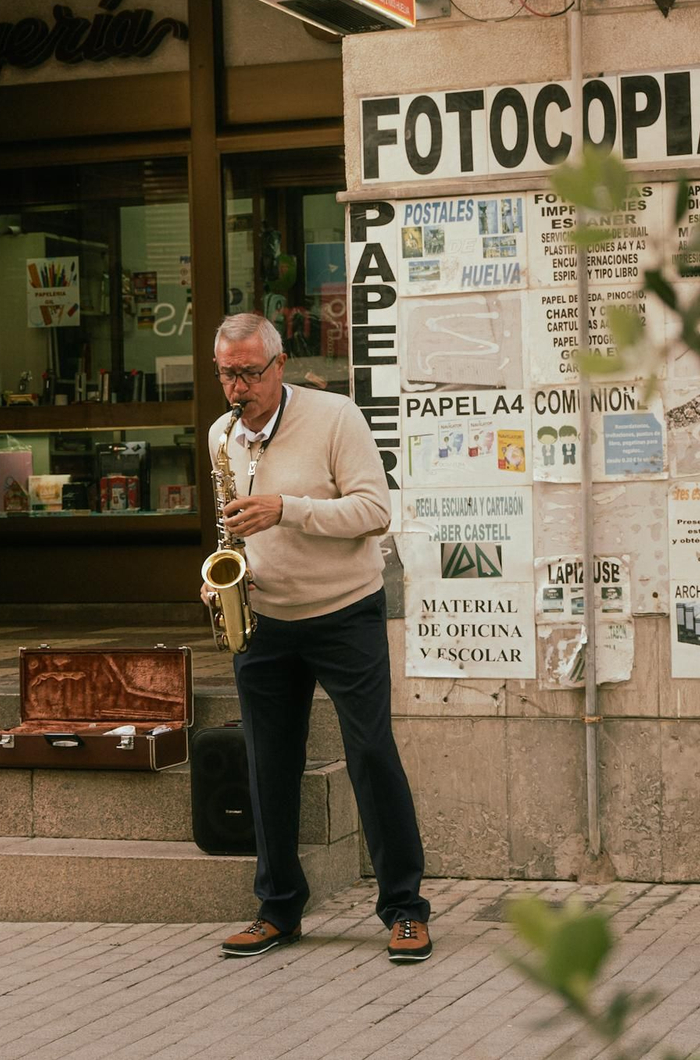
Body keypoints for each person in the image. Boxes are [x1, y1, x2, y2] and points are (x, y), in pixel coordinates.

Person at [201, 313, 432, 964]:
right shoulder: (221, 435)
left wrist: (287, 508)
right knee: (268, 764)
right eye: (226, 373)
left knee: (370, 753)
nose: (236, 387)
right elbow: (232, 531)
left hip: (344, 612)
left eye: (248, 373)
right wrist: (222, 581)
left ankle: (405, 908)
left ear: (278, 366)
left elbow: (373, 512)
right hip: (266, 619)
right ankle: (278, 909)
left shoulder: (335, 418)